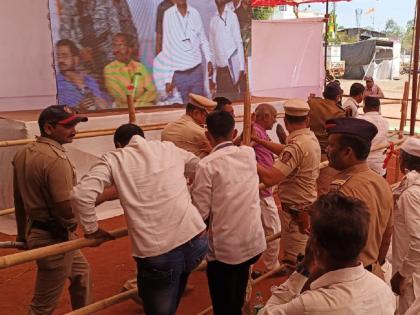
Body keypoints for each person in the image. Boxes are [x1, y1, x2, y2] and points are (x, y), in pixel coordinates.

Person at [71, 123, 208, 315]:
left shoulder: (115, 159)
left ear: (119, 144)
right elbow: (201, 168)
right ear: (143, 137)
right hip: (197, 241)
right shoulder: (167, 148)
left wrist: (91, 229)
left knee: (160, 303)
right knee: (174, 285)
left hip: (159, 254)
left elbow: (81, 195)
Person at [259, 192, 396, 315]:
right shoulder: (383, 290)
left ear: (316, 248)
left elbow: (266, 312)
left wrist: (303, 269)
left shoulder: (309, 305)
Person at [13, 105, 91, 314]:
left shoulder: (23, 153)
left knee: (81, 273)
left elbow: (18, 200)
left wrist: (22, 234)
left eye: (74, 124)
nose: (74, 130)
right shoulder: (56, 159)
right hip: (54, 236)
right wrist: (95, 200)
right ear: (48, 128)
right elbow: (65, 208)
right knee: (43, 305)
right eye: (68, 126)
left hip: (44, 232)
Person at [191, 111, 266, 315]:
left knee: (223, 305)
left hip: (226, 249)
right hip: (252, 242)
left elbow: (200, 211)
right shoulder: (248, 153)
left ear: (208, 136)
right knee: (238, 294)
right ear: (233, 132)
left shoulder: (207, 165)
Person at [257, 99, 321, 273]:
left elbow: (270, 178)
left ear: (285, 122)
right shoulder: (308, 138)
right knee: (304, 257)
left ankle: (296, 296)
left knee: (295, 263)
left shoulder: (296, 146)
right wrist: (260, 141)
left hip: (296, 212)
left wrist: (247, 156)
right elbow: (286, 151)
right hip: (305, 206)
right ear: (307, 121)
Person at [325, 117, 393, 279]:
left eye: (331, 145)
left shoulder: (341, 189)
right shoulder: (381, 182)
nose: (327, 149)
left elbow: (331, 244)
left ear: (347, 152)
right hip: (372, 272)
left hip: (345, 277)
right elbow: (387, 233)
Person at [59, 0, 139, 87]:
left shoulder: (106, 2)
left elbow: (116, 30)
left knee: (116, 86)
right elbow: (64, 32)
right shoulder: (68, 4)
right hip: (83, 58)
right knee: (92, 90)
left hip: (108, 53)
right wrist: (79, 50)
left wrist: (117, 51)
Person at [248, 104, 281, 275]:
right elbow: (244, 148)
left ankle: (255, 268)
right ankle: (271, 266)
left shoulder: (257, 130)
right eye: (274, 116)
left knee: (257, 229)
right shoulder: (255, 130)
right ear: (265, 116)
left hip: (262, 188)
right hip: (261, 190)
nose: (275, 120)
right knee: (272, 229)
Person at [162, 0, 213, 104]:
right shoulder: (168, 15)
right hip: (179, 73)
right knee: (186, 108)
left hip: (196, 70)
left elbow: (203, 39)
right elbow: (166, 46)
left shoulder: (194, 13)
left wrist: (209, 59)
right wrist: (167, 79)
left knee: (200, 106)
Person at [390, 137, 420, 314]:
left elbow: (418, 242)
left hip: (412, 277)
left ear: (404, 160)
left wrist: (401, 274)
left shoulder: (411, 194)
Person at [308, 82, 346, 196]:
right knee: (325, 189)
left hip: (309, 149)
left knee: (307, 185)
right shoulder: (339, 112)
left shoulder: (312, 103)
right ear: (338, 97)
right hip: (326, 153)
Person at [104, 33, 157, 108]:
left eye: (124, 45)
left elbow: (152, 91)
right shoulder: (109, 69)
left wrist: (138, 104)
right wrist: (140, 98)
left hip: (145, 107)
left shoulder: (140, 67)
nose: (120, 49)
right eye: (116, 46)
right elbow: (123, 97)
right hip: (124, 111)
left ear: (130, 48)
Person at [56, 39, 110, 111]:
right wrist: (78, 107)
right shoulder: (55, 83)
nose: (60, 60)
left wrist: (83, 86)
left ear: (76, 59)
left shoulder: (88, 79)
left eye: (65, 56)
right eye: (58, 56)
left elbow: (103, 107)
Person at [209, 0, 245, 100]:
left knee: (232, 102)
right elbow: (212, 48)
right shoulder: (213, 20)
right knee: (220, 102)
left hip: (232, 69)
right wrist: (213, 74)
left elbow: (238, 42)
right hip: (220, 71)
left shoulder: (232, 16)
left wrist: (241, 67)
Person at [161, 93, 216, 158]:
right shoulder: (200, 133)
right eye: (206, 115)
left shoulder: (168, 127)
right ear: (196, 113)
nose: (207, 119)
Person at [359, 96, 389, 177]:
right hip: (380, 164)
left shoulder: (360, 121)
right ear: (378, 108)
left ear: (364, 107)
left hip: (364, 164)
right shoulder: (386, 122)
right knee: (379, 188)